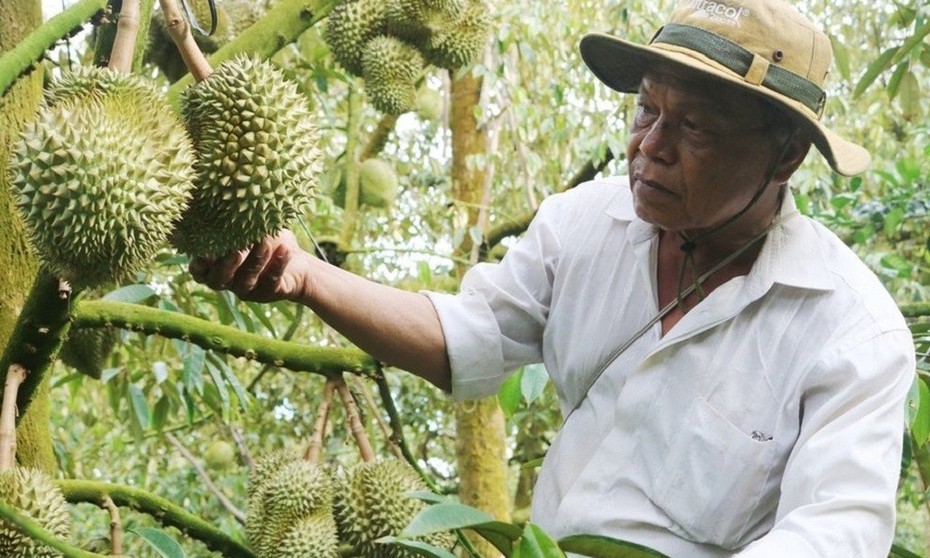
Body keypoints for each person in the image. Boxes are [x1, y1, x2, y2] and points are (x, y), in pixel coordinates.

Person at [189, 0, 916, 555]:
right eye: (646, 111)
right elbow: (467, 340)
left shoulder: (850, 333)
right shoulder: (582, 225)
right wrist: (303, 277)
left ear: (784, 156)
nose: (648, 148)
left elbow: (832, 534)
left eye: (693, 129)